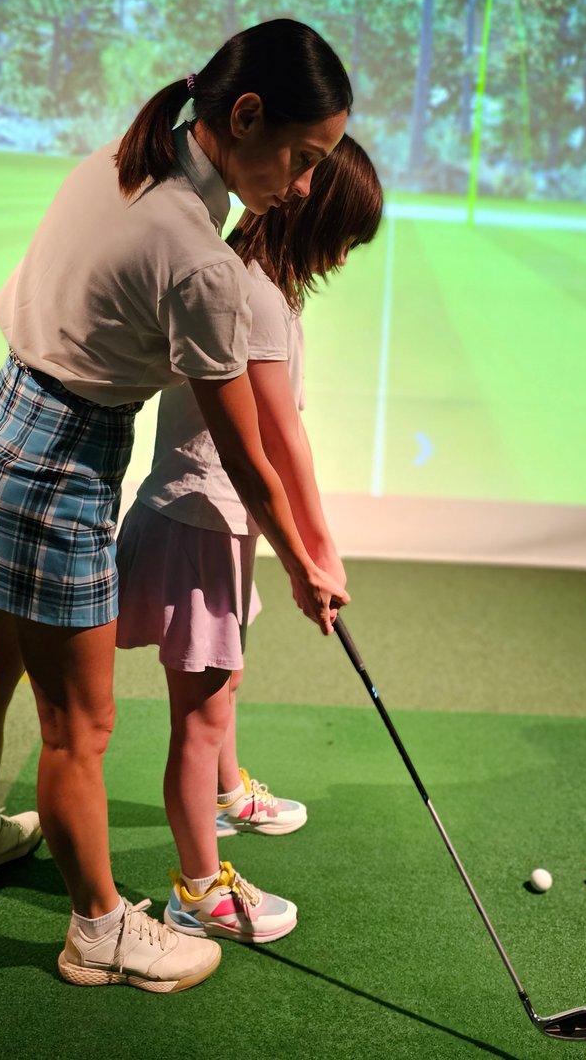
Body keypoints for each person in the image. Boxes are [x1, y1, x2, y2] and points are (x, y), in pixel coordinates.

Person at [0, 19, 353, 995]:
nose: (303, 186)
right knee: (79, 730)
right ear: (245, 116)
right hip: (57, 477)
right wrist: (303, 563)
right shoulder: (199, 259)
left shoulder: (119, 160)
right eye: (302, 157)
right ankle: (100, 930)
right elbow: (248, 457)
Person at [114, 137, 382, 945]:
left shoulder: (267, 285)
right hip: (198, 520)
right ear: (311, 213)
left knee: (224, 683)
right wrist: (317, 553)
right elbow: (282, 437)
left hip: (219, 519)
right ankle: (199, 891)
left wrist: (306, 550)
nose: (343, 256)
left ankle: (228, 797)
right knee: (199, 716)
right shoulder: (253, 294)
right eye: (343, 235)